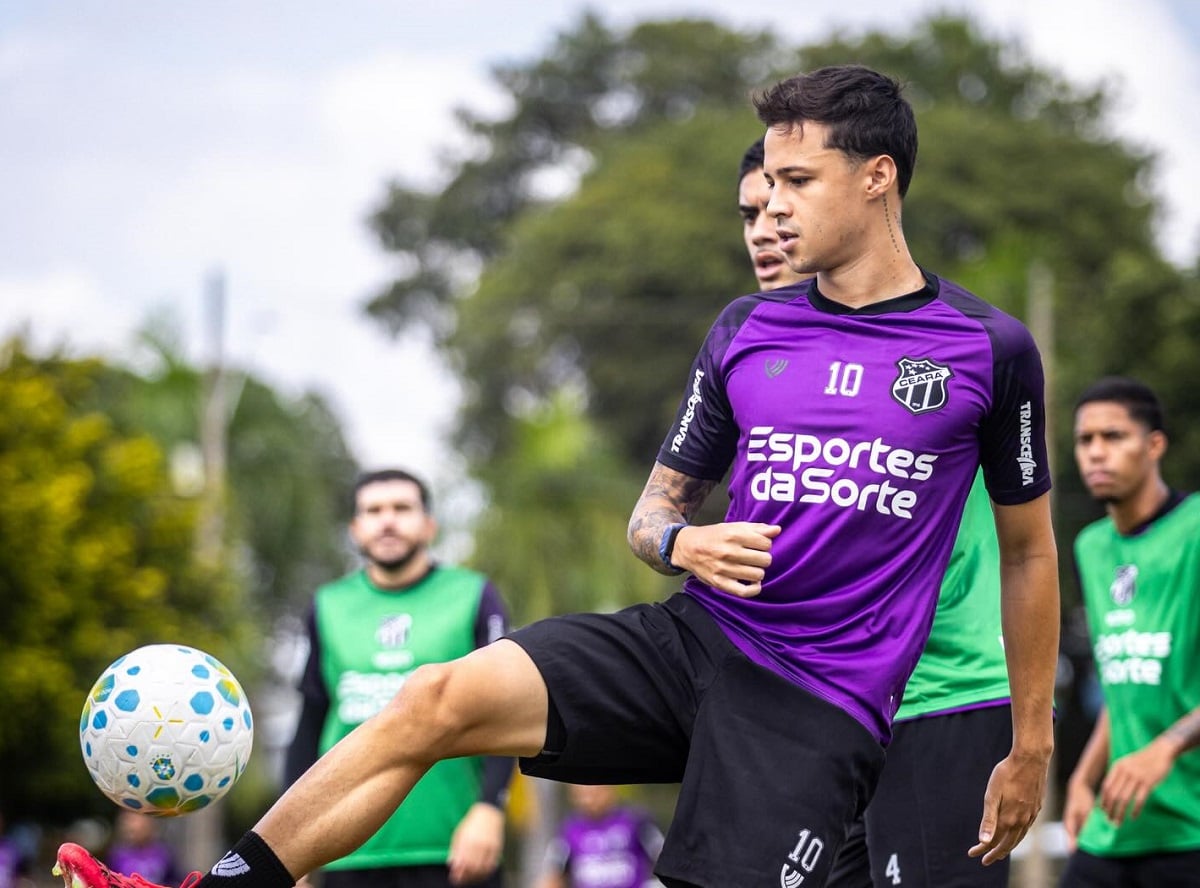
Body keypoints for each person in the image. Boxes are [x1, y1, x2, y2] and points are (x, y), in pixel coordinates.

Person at [53, 64, 1059, 888]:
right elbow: (652, 515)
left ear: (878, 177)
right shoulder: (747, 330)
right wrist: (684, 542)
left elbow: (1026, 553)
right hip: (692, 640)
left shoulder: (986, 348)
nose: (772, 206)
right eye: (767, 188)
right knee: (429, 700)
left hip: (816, 702)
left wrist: (1030, 742)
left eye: (798, 182)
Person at [736, 137, 1016, 887]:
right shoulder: (756, 360)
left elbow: (1025, 548)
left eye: (785, 198)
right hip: (820, 710)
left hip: (937, 696)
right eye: (751, 211)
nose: (766, 226)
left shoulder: (945, 343)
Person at [284, 468, 515, 888]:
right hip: (345, 852)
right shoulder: (327, 606)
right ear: (356, 528)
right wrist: (288, 849)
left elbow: (505, 714)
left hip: (454, 849)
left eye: (401, 508)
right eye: (373, 510)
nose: (387, 520)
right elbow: (309, 724)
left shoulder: (473, 595)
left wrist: (490, 808)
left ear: (429, 524)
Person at [1059, 377, 1200, 886]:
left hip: (1189, 828)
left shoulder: (1195, 529)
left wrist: (1166, 747)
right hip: (1114, 826)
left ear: (1155, 445)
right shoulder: (1090, 547)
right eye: (1085, 439)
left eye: (1113, 436)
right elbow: (1126, 684)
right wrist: (1082, 778)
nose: (1096, 452)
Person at [534, 785, 663, 888]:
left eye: (595, 793)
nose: (589, 800)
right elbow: (552, 874)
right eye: (583, 795)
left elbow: (663, 856)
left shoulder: (636, 821)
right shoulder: (568, 831)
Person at [106, 812, 183, 887]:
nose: (129, 828)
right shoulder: (118, 857)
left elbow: (175, 880)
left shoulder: (163, 853)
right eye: (127, 825)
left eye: (135, 824)